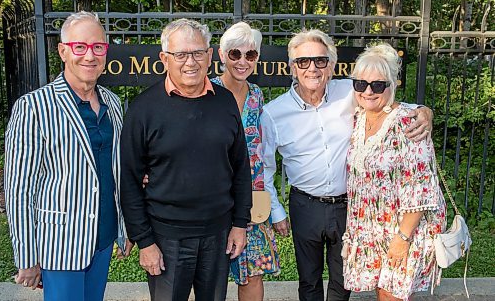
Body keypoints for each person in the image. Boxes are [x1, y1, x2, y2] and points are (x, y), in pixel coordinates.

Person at [260, 29, 433, 301]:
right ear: (292, 67)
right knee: (309, 280)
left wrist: (424, 111)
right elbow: (265, 168)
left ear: (331, 64)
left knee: (343, 280)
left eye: (320, 60)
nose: (312, 68)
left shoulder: (351, 90)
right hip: (304, 205)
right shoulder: (273, 113)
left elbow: (387, 101)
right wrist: (276, 211)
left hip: (349, 206)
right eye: (303, 61)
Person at [120, 18, 252, 301]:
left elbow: (241, 167)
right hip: (166, 238)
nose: (190, 62)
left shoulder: (225, 101)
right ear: (164, 59)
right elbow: (129, 181)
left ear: (208, 56)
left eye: (197, 53)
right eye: (181, 54)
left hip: (218, 234)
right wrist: (144, 241)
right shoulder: (143, 109)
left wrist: (240, 224)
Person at [4, 11, 132, 301]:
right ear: (63, 51)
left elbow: (117, 170)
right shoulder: (34, 107)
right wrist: (26, 255)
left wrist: (124, 228)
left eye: (98, 47)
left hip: (103, 238)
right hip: (60, 243)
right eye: (80, 47)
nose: (89, 56)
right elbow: (19, 189)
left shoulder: (112, 103)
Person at [342, 43, 446, 301]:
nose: (368, 91)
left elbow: (420, 187)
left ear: (392, 84)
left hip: (403, 229)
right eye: (360, 84)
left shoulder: (409, 123)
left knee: (391, 295)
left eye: (378, 85)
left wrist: (402, 238)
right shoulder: (359, 118)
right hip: (370, 227)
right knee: (383, 293)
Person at [211, 22, 280, 300]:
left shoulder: (256, 95)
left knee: (252, 273)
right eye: (235, 54)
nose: (242, 61)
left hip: (252, 199)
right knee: (208, 275)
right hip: (212, 200)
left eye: (250, 55)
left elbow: (262, 153)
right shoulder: (206, 92)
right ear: (221, 55)